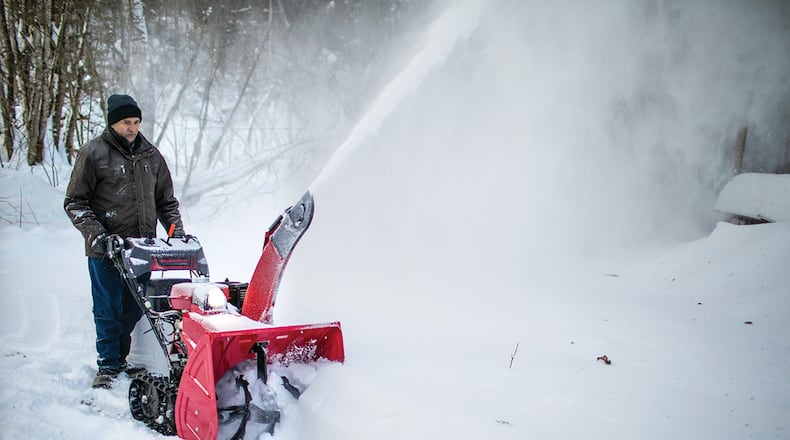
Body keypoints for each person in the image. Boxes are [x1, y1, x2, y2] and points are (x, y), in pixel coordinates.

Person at [64, 94, 184, 389]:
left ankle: (121, 358)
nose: (132, 128)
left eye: (136, 122)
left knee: (133, 308)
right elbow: (75, 203)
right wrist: (99, 236)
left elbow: (166, 202)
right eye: (126, 123)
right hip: (105, 250)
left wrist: (175, 233)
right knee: (108, 308)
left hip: (142, 250)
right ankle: (107, 365)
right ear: (113, 123)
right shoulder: (93, 154)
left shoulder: (151, 156)